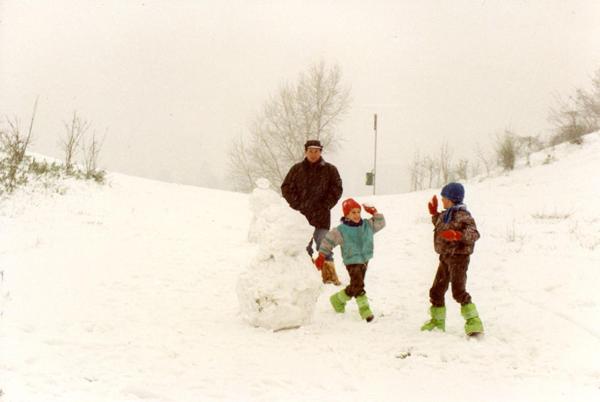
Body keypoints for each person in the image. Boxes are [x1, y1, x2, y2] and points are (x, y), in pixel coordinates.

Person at [421, 182, 484, 336]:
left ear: (451, 199)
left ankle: (474, 321)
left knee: (458, 291)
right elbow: (440, 225)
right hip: (445, 257)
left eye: (443, 198)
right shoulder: (446, 214)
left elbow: (474, 234)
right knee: (436, 291)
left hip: (459, 258)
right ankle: (437, 321)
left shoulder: (463, 215)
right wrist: (434, 214)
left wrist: (458, 235)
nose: (442, 201)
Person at [281, 139, 343, 285]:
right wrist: (297, 205)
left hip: (322, 217)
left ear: (320, 152)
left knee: (324, 245)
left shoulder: (330, 170)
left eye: (316, 151)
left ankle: (329, 278)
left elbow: (337, 189)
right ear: (305, 152)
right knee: (303, 248)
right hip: (301, 217)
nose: (313, 154)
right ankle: (305, 278)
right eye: (310, 151)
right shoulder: (296, 169)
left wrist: (325, 205)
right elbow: (286, 188)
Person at [313, 198, 386, 322]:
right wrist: (321, 255)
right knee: (358, 284)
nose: (357, 215)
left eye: (358, 212)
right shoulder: (341, 230)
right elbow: (328, 241)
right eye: (353, 212)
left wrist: (375, 213)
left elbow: (381, 224)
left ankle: (338, 300)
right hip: (351, 261)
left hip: (364, 259)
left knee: (355, 285)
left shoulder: (367, 225)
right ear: (346, 214)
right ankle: (365, 311)